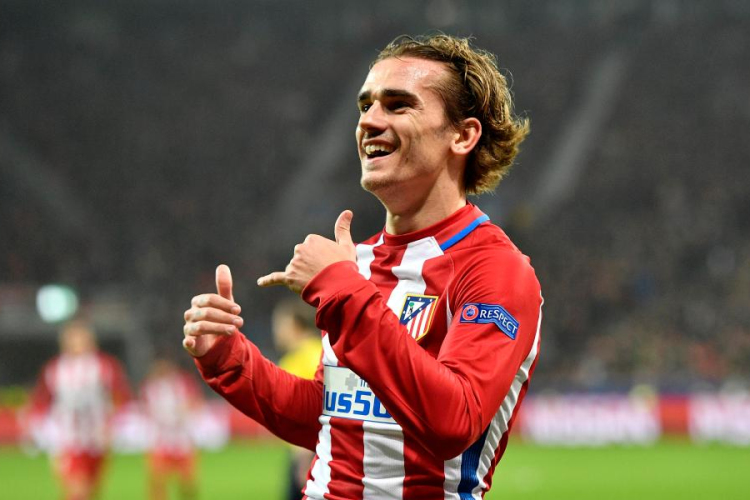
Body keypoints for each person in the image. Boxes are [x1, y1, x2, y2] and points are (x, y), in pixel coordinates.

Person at [183, 34, 543, 499]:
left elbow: (454, 421)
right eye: (365, 105)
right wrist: (228, 357)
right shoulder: (359, 262)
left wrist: (340, 287)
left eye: (398, 105)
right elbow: (327, 418)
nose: (369, 121)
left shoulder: (494, 269)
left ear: (462, 135)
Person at [29, 319, 131, 500]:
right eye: (73, 338)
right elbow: (41, 401)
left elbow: (121, 396)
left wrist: (111, 424)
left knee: (90, 492)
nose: (78, 342)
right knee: (78, 491)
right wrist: (41, 430)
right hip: (68, 440)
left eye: (82, 337)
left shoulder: (104, 366)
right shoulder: (55, 369)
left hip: (96, 441)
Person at [272, 298, 323, 500]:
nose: (276, 331)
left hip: (308, 452)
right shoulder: (319, 350)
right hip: (309, 450)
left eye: (280, 325)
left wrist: (304, 456)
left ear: (295, 325)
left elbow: (314, 408)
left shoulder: (304, 358)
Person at [139, 356, 204, 500]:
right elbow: (145, 409)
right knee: (157, 480)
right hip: (161, 440)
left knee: (188, 483)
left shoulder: (184, 383)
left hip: (181, 439)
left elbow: (195, 402)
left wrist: (186, 410)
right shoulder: (150, 387)